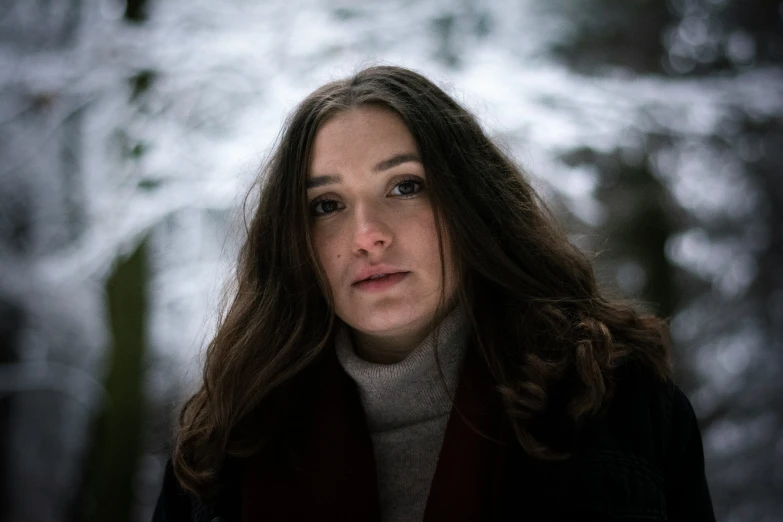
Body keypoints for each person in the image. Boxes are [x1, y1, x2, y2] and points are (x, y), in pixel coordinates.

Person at [152, 65, 715, 522]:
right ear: (295, 242)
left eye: (406, 186)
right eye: (327, 205)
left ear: (471, 205)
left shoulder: (615, 401)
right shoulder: (223, 445)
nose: (367, 233)